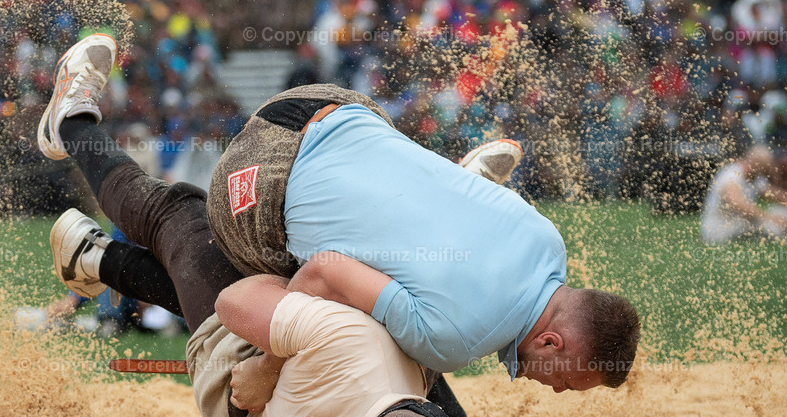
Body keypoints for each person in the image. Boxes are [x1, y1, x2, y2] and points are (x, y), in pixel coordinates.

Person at [32, 34, 517, 417]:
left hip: (237, 373)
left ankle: (71, 123)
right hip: (310, 381)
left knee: (180, 217)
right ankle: (98, 258)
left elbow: (241, 300)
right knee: (397, 315)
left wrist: (270, 357)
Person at [201, 85, 640, 392]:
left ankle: (464, 175)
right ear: (550, 342)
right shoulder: (455, 342)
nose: (555, 390)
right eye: (563, 381)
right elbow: (322, 272)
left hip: (337, 106)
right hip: (257, 183)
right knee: (380, 340)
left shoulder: (548, 240)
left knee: (412, 259)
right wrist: (269, 368)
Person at [700, 146, 787, 244]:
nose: (764, 175)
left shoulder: (754, 176)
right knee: (773, 226)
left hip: (738, 223)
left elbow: (775, 194)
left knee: (781, 214)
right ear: (755, 165)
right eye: (764, 171)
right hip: (719, 229)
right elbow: (737, 205)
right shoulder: (731, 176)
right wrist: (769, 218)